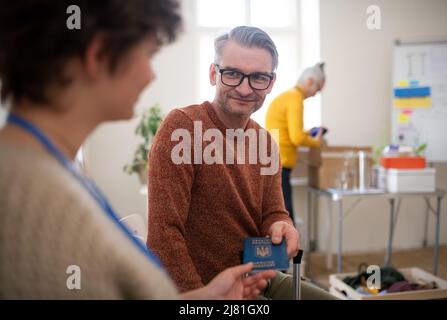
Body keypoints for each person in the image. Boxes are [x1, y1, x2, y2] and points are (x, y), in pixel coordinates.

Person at [0, 0, 276, 299]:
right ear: (100, 55)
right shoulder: (35, 198)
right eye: (148, 54)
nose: (151, 75)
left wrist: (204, 299)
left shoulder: (44, 173)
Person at [147, 26, 336, 300]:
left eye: (258, 77)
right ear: (214, 74)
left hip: (261, 279)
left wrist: (281, 225)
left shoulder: (266, 142)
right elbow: (164, 236)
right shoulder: (182, 129)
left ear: (271, 83)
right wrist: (202, 299)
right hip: (209, 291)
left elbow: (273, 212)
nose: (245, 88)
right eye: (233, 74)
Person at [265, 63, 326, 225]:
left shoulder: (288, 96)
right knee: (286, 217)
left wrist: (308, 133)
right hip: (280, 165)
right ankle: (290, 251)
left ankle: (288, 250)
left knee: (282, 215)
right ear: (310, 81)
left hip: (274, 163)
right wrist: (315, 142)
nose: (315, 95)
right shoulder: (295, 98)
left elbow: (291, 132)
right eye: (317, 90)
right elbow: (297, 138)